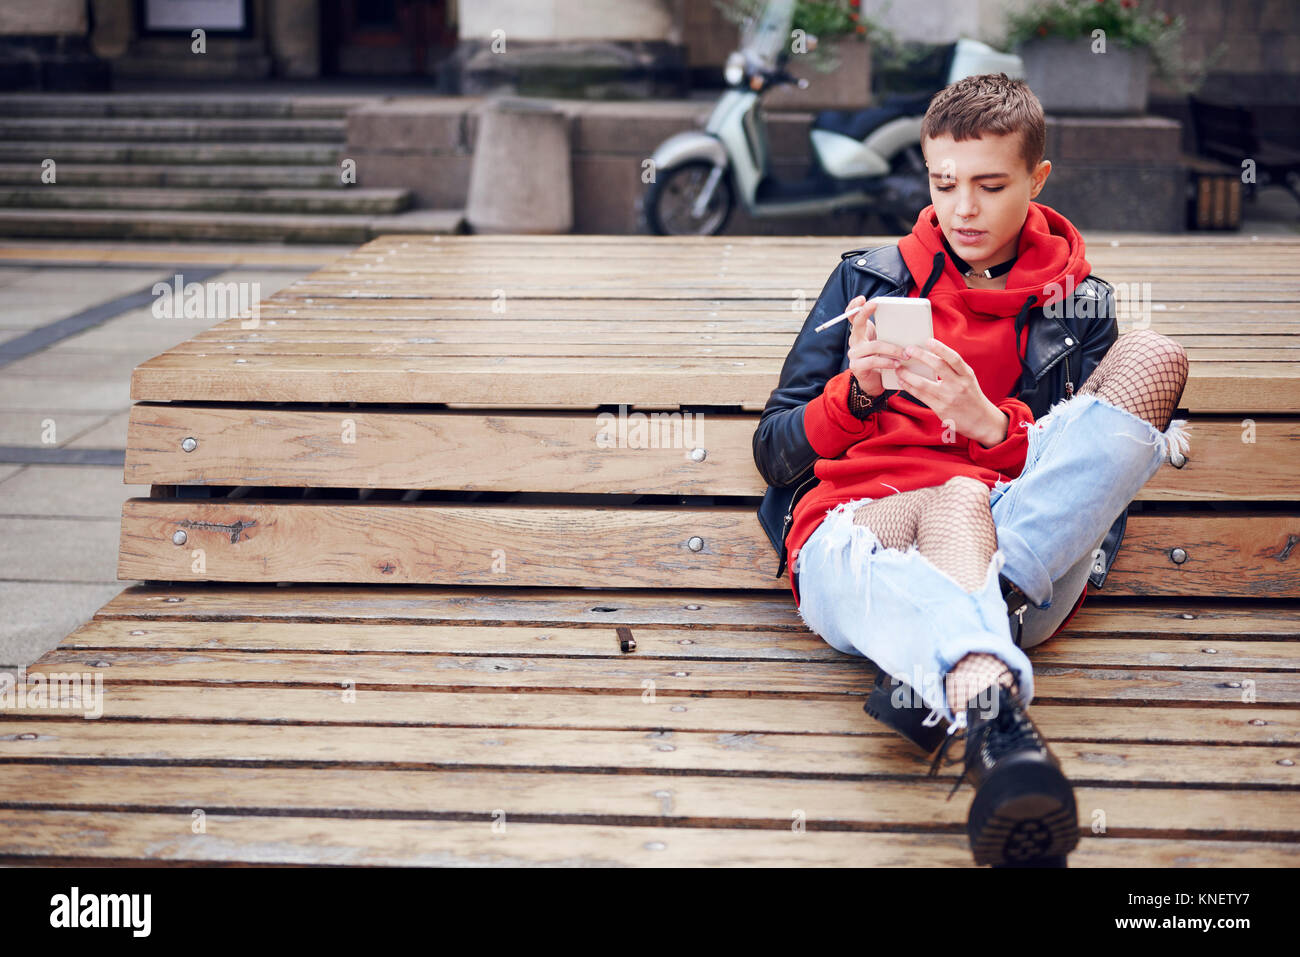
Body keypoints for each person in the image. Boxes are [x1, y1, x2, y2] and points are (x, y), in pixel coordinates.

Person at [752, 73, 1191, 867]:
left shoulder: (1079, 304)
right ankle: (997, 717)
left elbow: (1085, 490)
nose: (963, 209)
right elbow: (773, 449)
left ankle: (958, 677)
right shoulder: (869, 277)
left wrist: (989, 422)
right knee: (955, 494)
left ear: (1037, 179)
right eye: (944, 183)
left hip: (1021, 540)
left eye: (991, 185)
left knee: (1155, 359)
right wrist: (855, 393)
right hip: (863, 537)